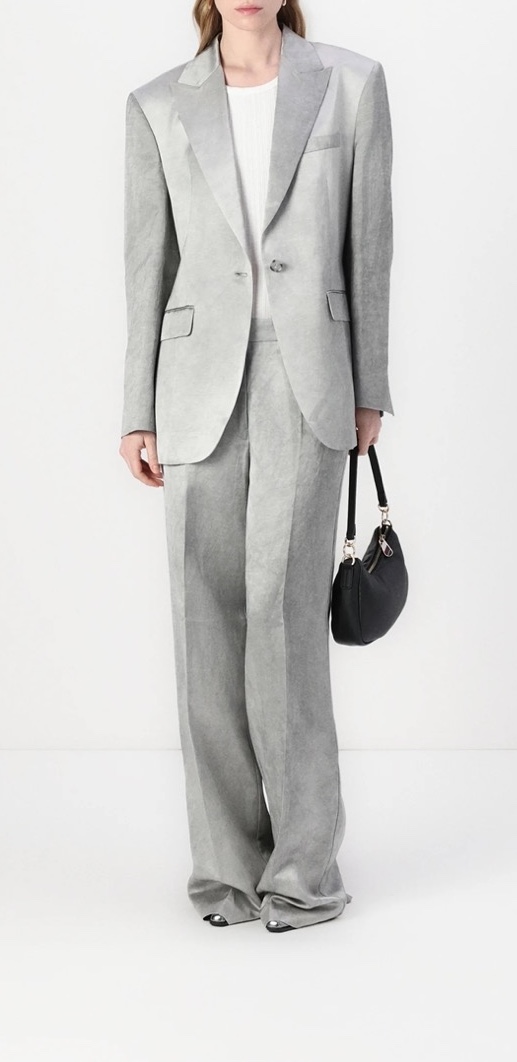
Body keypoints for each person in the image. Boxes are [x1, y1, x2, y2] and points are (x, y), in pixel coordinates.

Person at [119, 0, 395, 933]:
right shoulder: (157, 103)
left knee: (283, 617)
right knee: (202, 624)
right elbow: (145, 266)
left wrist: (369, 387)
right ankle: (225, 870)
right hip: (194, 383)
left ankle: (304, 869)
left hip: (308, 376)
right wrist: (135, 409)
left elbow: (370, 249)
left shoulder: (350, 84)